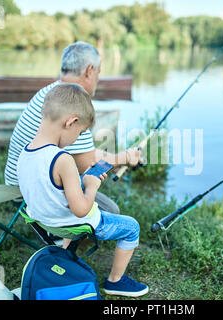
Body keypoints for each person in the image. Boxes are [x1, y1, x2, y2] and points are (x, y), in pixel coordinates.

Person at [17, 83, 148, 297]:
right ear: (71, 122)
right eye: (80, 133)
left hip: (45, 221)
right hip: (75, 223)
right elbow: (81, 210)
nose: (77, 139)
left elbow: (48, 187)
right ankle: (115, 281)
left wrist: (80, 180)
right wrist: (91, 185)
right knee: (132, 227)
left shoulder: (26, 152)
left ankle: (65, 254)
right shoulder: (63, 159)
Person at [5, 41, 141, 214]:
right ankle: (62, 239)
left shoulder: (53, 94)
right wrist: (124, 158)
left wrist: (119, 157)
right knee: (110, 211)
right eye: (98, 73)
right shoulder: (75, 105)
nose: (97, 79)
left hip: (17, 181)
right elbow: (88, 166)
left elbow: (83, 155)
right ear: (90, 71)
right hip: (28, 192)